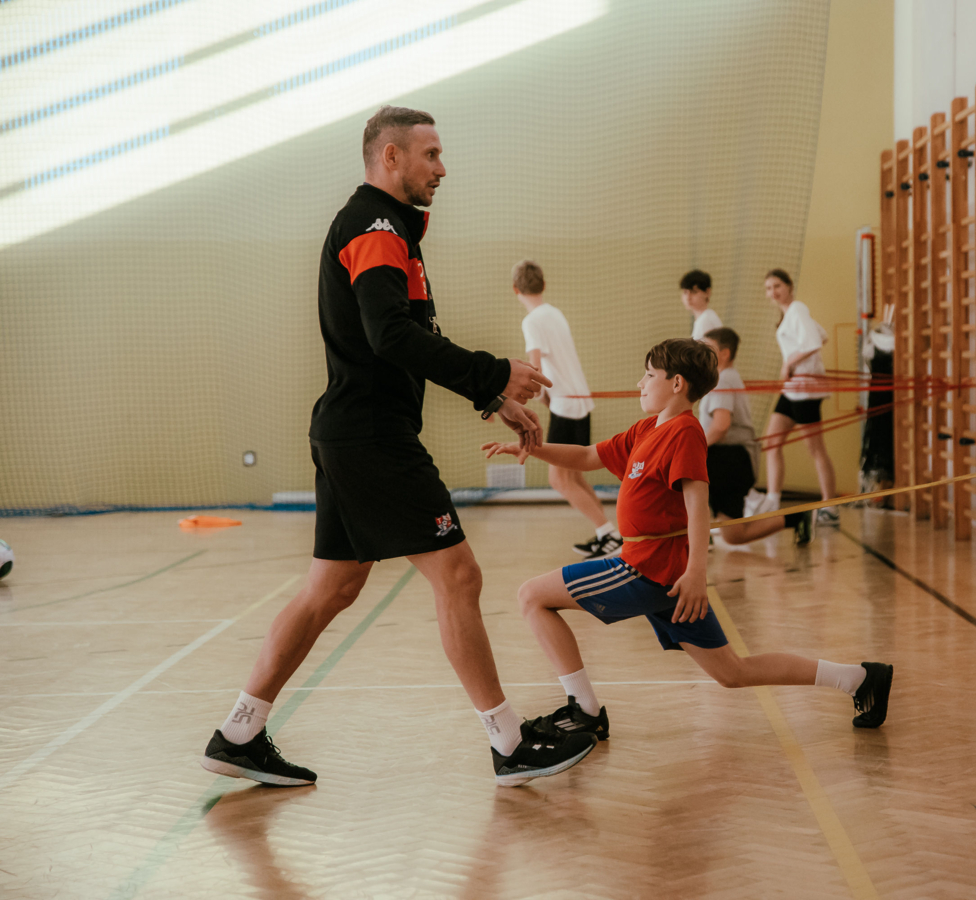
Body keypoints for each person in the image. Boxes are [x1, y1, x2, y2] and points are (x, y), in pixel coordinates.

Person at [199, 106, 597, 790]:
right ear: (391, 157)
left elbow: (412, 335)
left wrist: (487, 396)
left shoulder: (390, 229)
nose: (442, 168)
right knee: (459, 576)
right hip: (372, 437)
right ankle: (507, 743)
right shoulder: (376, 229)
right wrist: (493, 373)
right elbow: (390, 336)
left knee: (331, 588)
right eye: (430, 154)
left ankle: (238, 732)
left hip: (351, 432)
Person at [481, 339, 892, 740]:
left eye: (649, 375)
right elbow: (589, 456)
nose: (641, 383)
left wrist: (697, 572)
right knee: (732, 672)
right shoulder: (647, 428)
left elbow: (698, 506)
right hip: (669, 578)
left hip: (646, 570)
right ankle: (859, 679)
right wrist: (531, 448)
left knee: (532, 596)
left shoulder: (685, 432)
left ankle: (584, 712)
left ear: (676, 383)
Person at [512, 259, 621, 559]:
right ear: (543, 285)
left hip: (565, 405)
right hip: (580, 402)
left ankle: (609, 534)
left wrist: (530, 398)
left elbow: (534, 368)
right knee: (574, 475)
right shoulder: (555, 313)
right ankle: (608, 534)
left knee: (559, 479)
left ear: (515, 289)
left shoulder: (531, 321)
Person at [700, 327, 813, 546]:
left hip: (729, 460)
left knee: (679, 475)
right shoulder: (727, 377)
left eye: (708, 349)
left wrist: (693, 446)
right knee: (734, 535)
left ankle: (690, 538)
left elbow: (721, 426)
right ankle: (797, 518)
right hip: (735, 461)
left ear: (724, 353)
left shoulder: (722, 380)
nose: (702, 354)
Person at [759, 269, 837, 523]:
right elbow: (822, 335)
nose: (773, 292)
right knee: (772, 443)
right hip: (792, 389)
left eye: (777, 286)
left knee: (815, 449)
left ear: (789, 286)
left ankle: (830, 507)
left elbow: (814, 342)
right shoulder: (790, 314)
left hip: (805, 390)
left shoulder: (798, 309)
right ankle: (772, 500)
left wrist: (789, 363)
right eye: (769, 288)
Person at [680, 269, 722, 340]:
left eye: (694, 292)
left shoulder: (706, 320)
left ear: (707, 292)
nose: (688, 297)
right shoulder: (705, 318)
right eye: (685, 292)